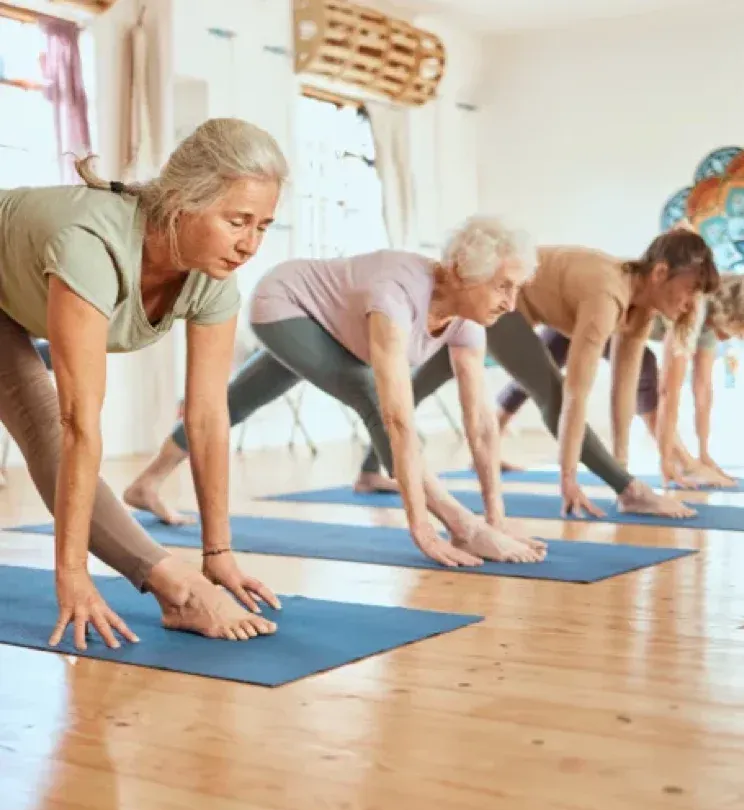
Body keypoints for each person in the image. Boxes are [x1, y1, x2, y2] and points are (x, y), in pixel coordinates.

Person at [0, 117, 288, 653]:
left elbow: (205, 417)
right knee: (49, 428)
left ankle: (182, 584)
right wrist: (71, 575)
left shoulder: (213, 279)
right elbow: (78, 423)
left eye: (263, 226)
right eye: (237, 221)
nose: (250, 244)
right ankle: (175, 587)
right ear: (181, 201)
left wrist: (218, 550)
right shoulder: (91, 245)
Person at [125, 216, 550, 567]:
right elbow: (395, 416)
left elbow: (480, 422)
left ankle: (146, 484)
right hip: (286, 304)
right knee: (369, 396)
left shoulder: (469, 317)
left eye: (516, 289)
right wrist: (433, 526)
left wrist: (497, 515)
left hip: (328, 323)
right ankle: (461, 525)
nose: (511, 304)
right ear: (461, 273)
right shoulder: (397, 293)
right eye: (502, 286)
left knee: (237, 401)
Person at [353, 229, 720, 518]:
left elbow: (621, 393)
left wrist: (623, 463)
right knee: (551, 390)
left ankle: (370, 471)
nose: (690, 305)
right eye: (689, 291)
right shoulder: (606, 294)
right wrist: (571, 478)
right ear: (659, 273)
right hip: (500, 302)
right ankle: (629, 490)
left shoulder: (639, 311)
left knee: (417, 386)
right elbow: (572, 393)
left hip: (516, 307)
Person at [493, 274, 744, 488]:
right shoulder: (692, 308)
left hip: (600, 317)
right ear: (732, 315)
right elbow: (669, 389)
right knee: (532, 375)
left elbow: (702, 388)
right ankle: (682, 462)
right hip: (590, 310)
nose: (737, 338)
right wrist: (674, 460)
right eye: (740, 331)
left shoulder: (710, 327)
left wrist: (705, 455)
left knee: (530, 375)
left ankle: (686, 461)